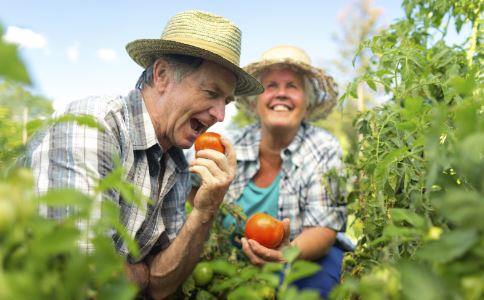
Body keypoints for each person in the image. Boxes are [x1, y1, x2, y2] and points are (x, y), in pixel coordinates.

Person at [25, 10, 262, 300]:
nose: (221, 115)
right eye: (211, 93)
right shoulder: (94, 126)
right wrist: (140, 274)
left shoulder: (176, 162)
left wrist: (205, 210)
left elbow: (161, 286)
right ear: (162, 75)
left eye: (225, 101)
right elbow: (81, 273)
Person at [224, 45, 351, 298]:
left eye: (292, 86)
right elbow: (192, 188)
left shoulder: (322, 146)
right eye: (270, 85)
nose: (281, 94)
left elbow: (323, 228)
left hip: (305, 258)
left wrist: (287, 252)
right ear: (255, 100)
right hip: (232, 260)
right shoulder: (230, 146)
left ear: (307, 101)